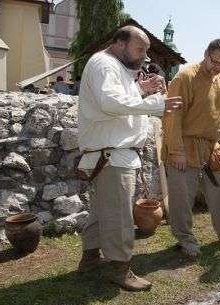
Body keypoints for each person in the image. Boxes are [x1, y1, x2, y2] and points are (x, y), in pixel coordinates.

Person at [77, 26, 182, 291]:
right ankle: (120, 269)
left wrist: (141, 91)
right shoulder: (104, 64)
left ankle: (90, 259)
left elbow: (120, 102)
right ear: (120, 43)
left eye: (146, 50)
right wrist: (156, 104)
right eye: (140, 49)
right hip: (111, 156)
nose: (145, 56)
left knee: (102, 211)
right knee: (121, 217)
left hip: (109, 155)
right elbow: (109, 103)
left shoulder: (116, 67)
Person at [163, 39, 220, 258]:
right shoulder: (185, 77)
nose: (217, 67)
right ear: (206, 54)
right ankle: (185, 239)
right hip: (184, 143)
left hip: (213, 146)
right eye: (214, 62)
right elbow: (172, 116)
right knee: (182, 197)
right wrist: (176, 150)